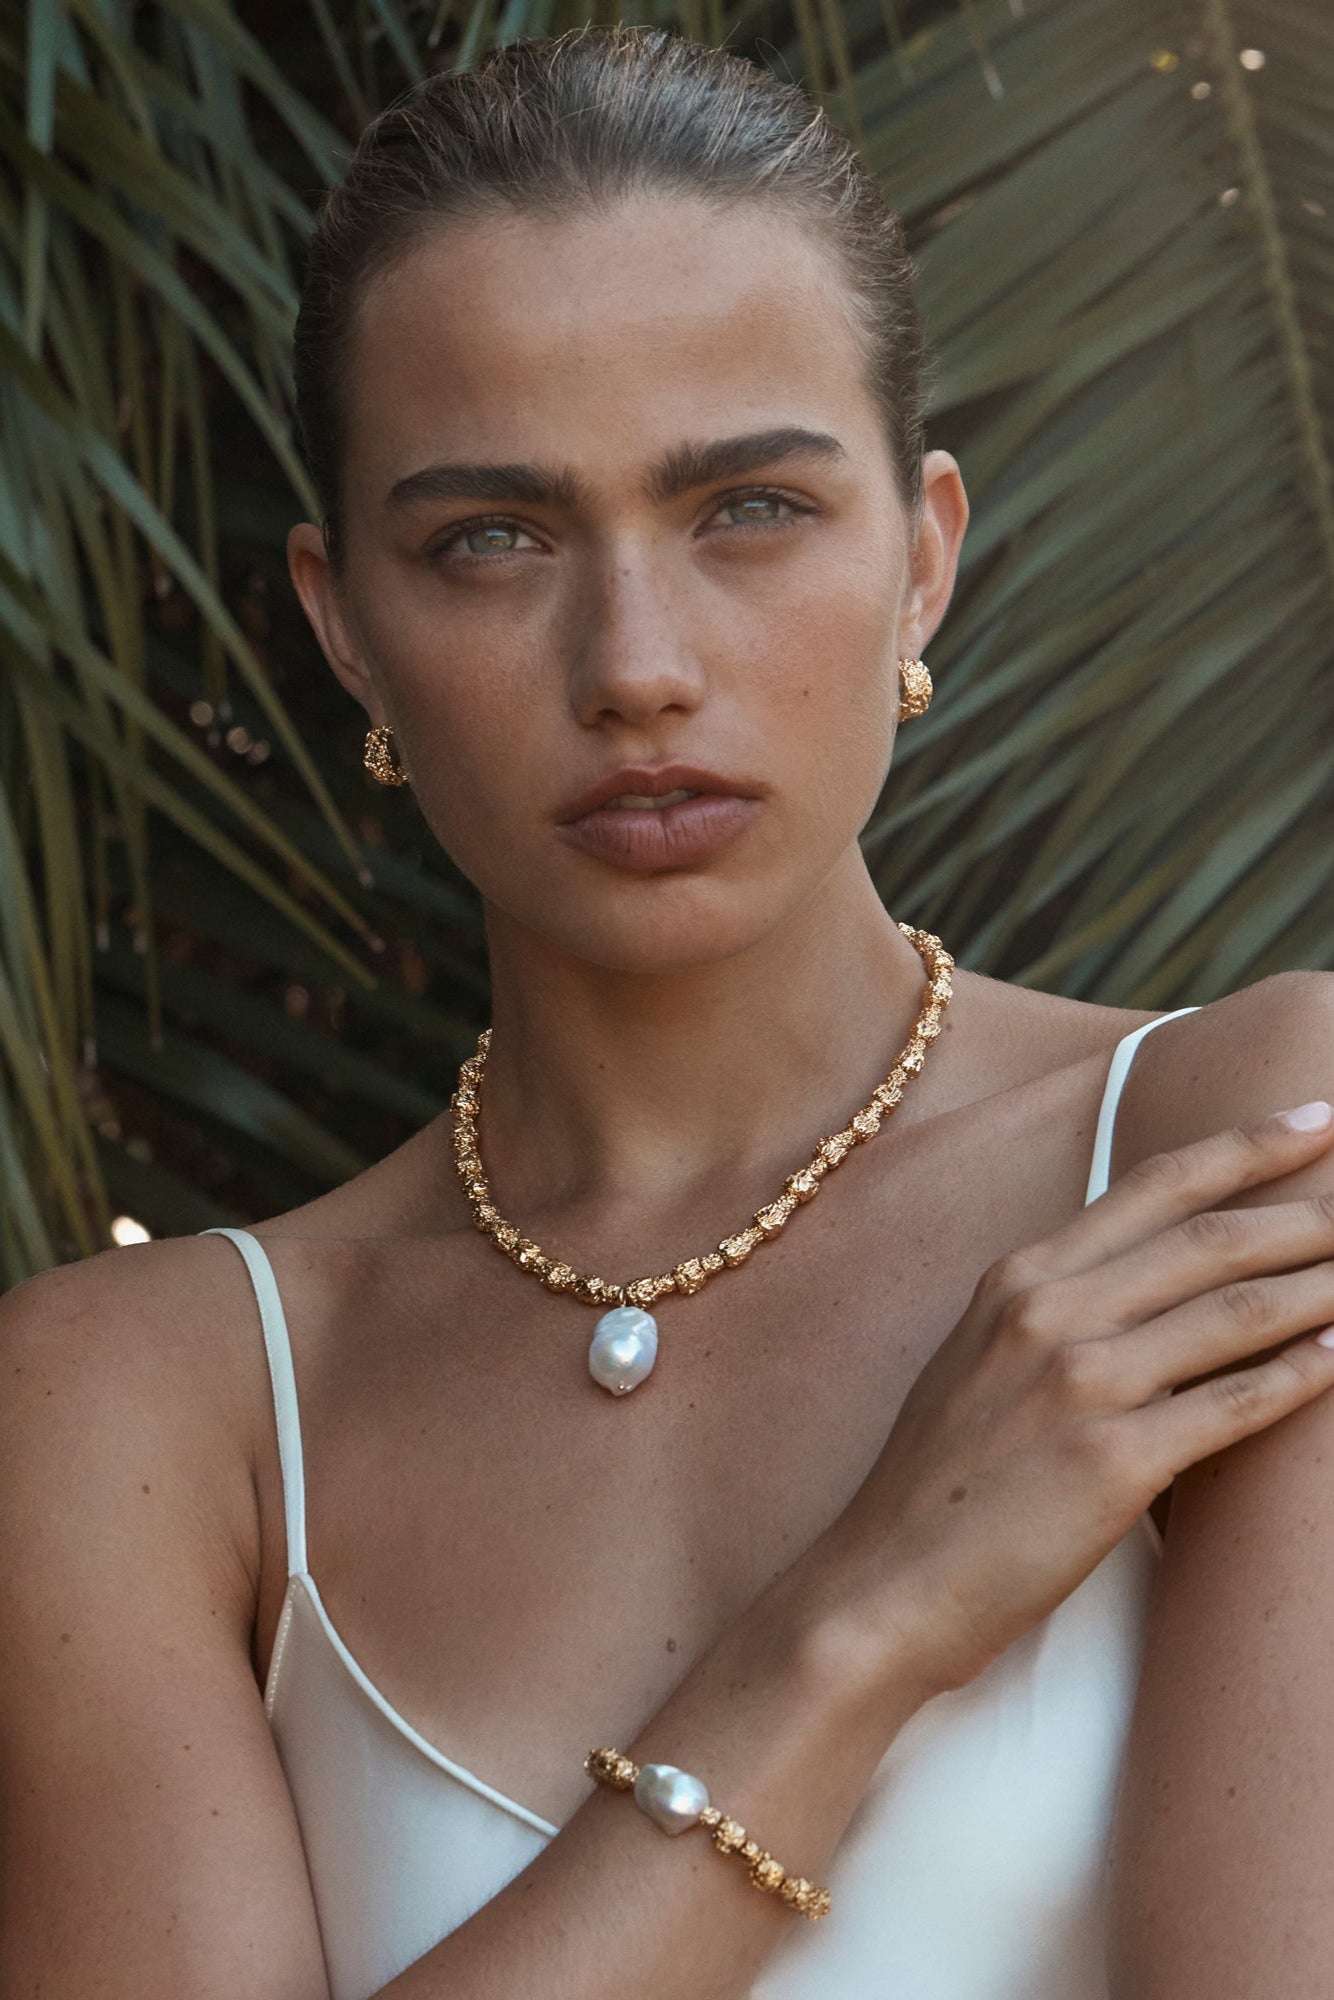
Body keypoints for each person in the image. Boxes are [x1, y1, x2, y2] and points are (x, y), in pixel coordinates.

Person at [3, 22, 1334, 1999]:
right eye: (493, 540)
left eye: (749, 511)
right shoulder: (149, 1402)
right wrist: (859, 1621)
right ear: (344, 624)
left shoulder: (1237, 1138)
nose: (634, 661)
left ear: (924, 564)